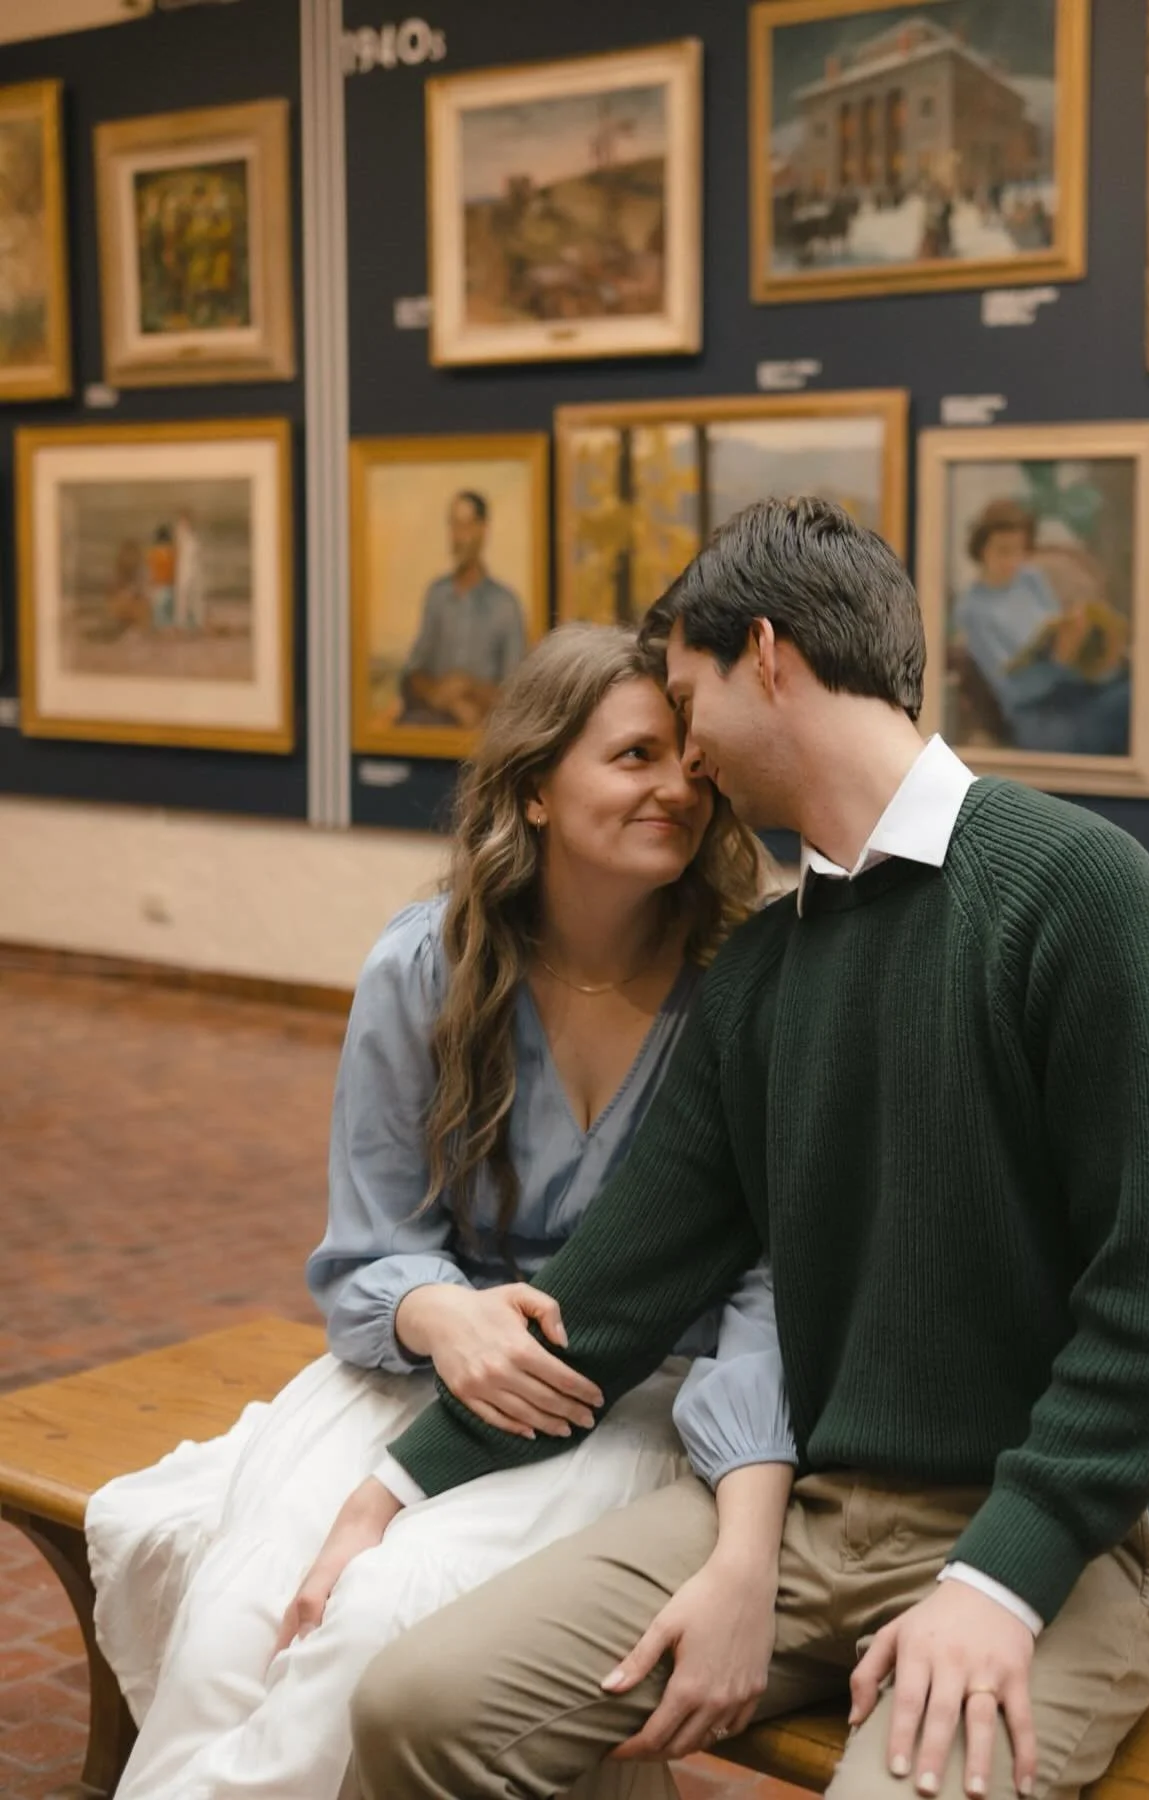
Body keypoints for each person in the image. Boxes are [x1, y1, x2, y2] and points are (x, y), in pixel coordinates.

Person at [304, 496, 1149, 1800]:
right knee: (418, 1709)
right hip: (807, 1514)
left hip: (1054, 1544)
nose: (689, 758)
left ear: (771, 658)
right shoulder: (760, 977)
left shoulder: (1080, 890)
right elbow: (621, 1287)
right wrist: (394, 1488)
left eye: (690, 703)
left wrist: (999, 1580)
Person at [85, 624, 792, 1800]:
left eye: (694, 763)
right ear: (534, 789)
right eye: (634, 756)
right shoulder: (428, 968)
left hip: (631, 1394)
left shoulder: (748, 987)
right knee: (237, 1628)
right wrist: (440, 1314)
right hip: (421, 1370)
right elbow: (366, 1250)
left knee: (370, 1628)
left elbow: (772, 1277)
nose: (677, 786)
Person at [950, 500, 1131, 756]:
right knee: (1129, 707)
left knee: (1134, 688)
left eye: (1020, 551)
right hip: (1036, 718)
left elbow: (1055, 629)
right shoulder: (973, 609)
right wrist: (1059, 662)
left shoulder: (1030, 579)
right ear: (981, 550)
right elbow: (1013, 691)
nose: (1012, 561)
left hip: (1074, 692)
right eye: (1002, 551)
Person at [399, 491, 529, 730]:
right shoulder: (437, 595)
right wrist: (445, 697)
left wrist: (469, 688)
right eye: (453, 526)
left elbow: (517, 696)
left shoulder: (506, 605)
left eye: (466, 526)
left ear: (483, 530)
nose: (458, 537)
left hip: (485, 738)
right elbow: (412, 674)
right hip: (433, 733)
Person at [173, 508, 204, 633]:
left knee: (195, 595)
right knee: (183, 594)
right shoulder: (181, 533)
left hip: (194, 567)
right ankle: (181, 623)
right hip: (184, 567)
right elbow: (179, 551)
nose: (186, 523)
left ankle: (197, 621)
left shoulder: (192, 535)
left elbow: (196, 552)